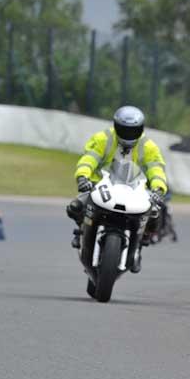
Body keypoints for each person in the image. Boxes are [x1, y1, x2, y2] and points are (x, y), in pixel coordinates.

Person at [66, 105, 168, 272]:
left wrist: (158, 188)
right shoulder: (102, 138)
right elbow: (88, 159)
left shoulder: (149, 147)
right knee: (75, 206)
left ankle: (141, 243)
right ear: (116, 126)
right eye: (124, 129)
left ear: (140, 129)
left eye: (132, 130)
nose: (128, 134)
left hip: (136, 190)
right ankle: (81, 230)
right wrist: (83, 177)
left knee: (156, 212)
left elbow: (156, 169)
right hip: (100, 186)